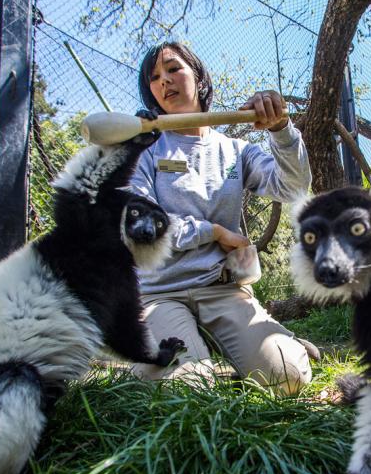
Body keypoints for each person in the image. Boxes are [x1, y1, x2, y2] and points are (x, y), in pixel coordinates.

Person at [127, 42, 315, 395]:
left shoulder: (235, 150)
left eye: (173, 69)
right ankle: (193, 353)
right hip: (158, 295)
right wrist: (211, 232)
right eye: (154, 77)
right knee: (183, 390)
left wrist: (282, 131)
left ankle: (279, 344)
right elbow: (140, 223)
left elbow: (293, 187)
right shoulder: (142, 147)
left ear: (198, 79)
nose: (164, 81)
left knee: (288, 378)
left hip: (223, 288)